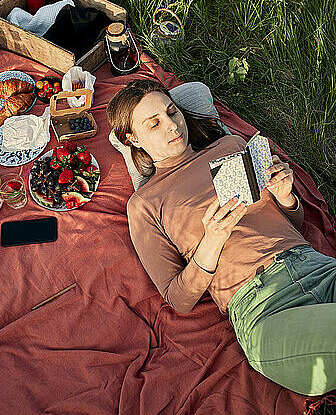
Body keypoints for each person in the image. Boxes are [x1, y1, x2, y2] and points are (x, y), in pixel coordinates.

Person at [106, 79, 336, 397]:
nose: (172, 125)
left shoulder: (229, 147)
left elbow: (291, 224)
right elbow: (178, 298)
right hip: (263, 308)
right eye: (154, 123)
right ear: (132, 138)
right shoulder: (145, 202)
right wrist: (212, 240)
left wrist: (285, 197)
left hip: (316, 266)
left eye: (173, 112)